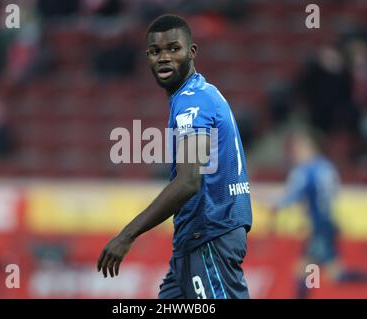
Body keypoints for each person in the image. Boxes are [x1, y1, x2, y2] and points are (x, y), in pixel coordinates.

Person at [97, 14, 253, 299]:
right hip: (195, 240)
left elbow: (188, 181)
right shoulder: (202, 93)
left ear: (192, 52)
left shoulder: (192, 102)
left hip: (209, 237)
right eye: (156, 52)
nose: (164, 58)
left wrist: (127, 235)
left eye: (174, 48)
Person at [270, 129, 367, 299]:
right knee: (314, 271)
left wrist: (276, 207)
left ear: (310, 148)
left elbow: (293, 195)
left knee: (324, 273)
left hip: (319, 227)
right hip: (327, 224)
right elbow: (331, 195)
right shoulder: (327, 167)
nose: (295, 153)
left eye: (298, 148)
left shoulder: (305, 170)